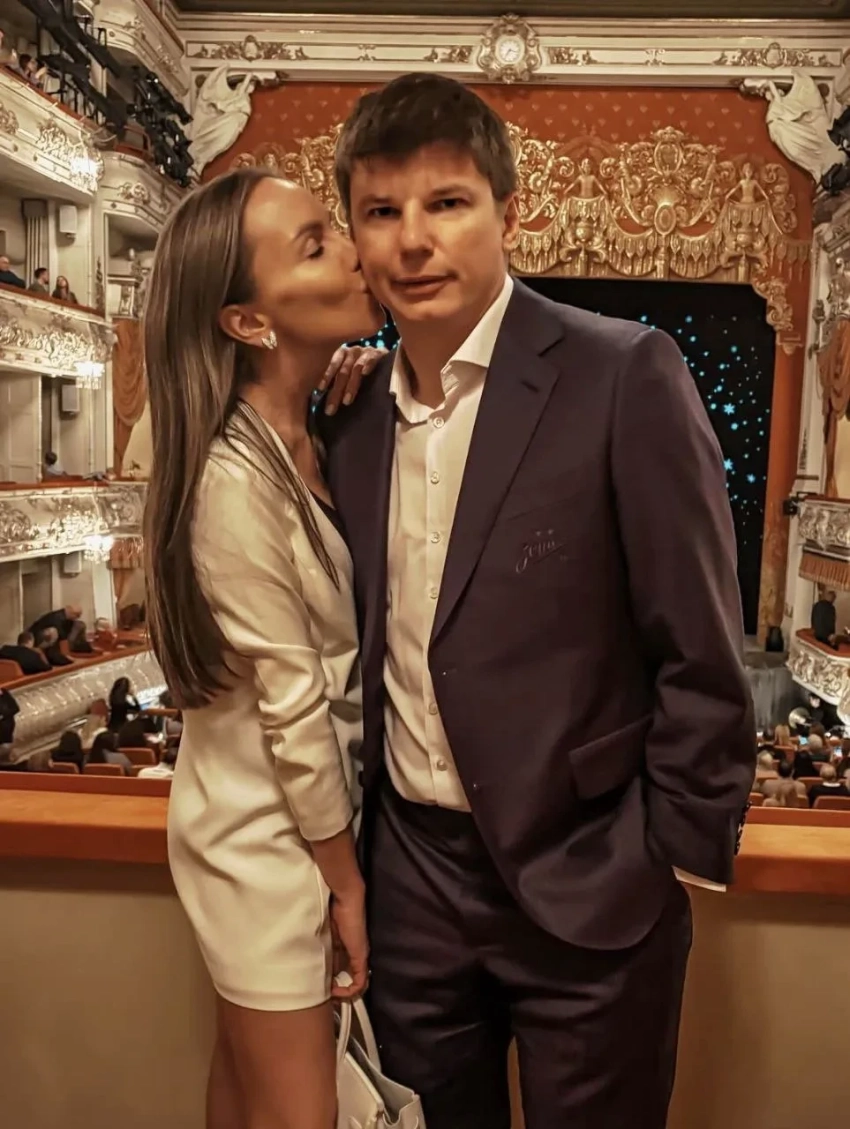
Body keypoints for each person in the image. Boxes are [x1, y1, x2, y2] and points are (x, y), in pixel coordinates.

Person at [323, 73, 755, 1129]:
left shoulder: (623, 373)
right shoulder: (347, 415)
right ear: (355, 235)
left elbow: (700, 643)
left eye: (446, 202)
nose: (413, 240)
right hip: (410, 891)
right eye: (381, 211)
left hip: (594, 878)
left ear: (510, 214)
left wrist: (665, 855)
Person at [143, 167, 385, 1129]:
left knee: (246, 1093)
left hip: (276, 828)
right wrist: (345, 882)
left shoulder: (303, 432)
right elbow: (294, 707)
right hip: (268, 844)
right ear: (248, 321)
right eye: (317, 244)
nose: (356, 250)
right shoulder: (232, 481)